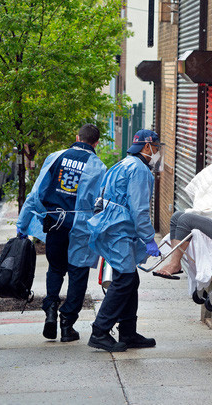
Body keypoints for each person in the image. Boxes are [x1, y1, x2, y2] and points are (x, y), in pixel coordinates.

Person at [17, 124, 106, 341]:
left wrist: (22, 225)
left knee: (55, 269)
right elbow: (100, 204)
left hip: (55, 224)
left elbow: (36, 192)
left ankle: (50, 310)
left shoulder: (55, 157)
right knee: (78, 274)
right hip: (81, 229)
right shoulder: (99, 167)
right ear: (96, 143)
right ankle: (67, 324)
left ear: (77, 137)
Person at [86, 129, 162, 352]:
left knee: (130, 279)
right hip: (119, 230)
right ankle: (99, 332)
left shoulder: (124, 163)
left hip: (114, 226)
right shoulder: (139, 170)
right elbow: (140, 210)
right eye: (156, 147)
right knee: (124, 280)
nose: (157, 151)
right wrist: (149, 238)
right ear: (147, 146)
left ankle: (128, 333)